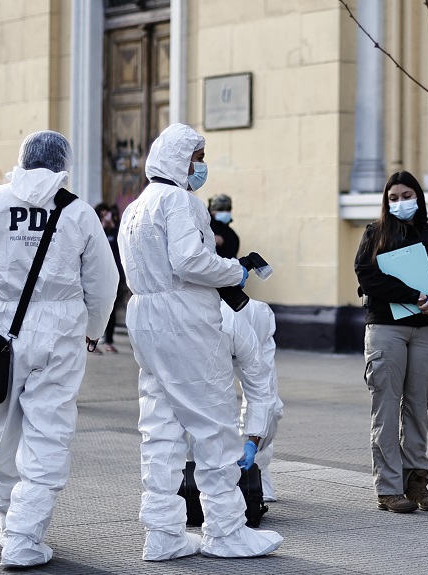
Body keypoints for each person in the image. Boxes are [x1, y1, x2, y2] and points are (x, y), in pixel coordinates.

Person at [0, 130, 119, 568]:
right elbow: (103, 281)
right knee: (48, 431)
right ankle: (24, 536)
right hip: (59, 333)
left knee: (3, 430)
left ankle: (9, 525)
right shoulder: (77, 212)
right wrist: (94, 330)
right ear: (63, 166)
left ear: (22, 159)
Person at [118, 123, 282, 560]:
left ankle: (163, 532)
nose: (201, 166)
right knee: (214, 421)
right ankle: (226, 529)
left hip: (146, 318)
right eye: (197, 156)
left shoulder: (136, 207)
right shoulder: (179, 201)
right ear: (179, 158)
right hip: (185, 319)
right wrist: (235, 272)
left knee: (160, 426)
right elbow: (190, 261)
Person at [354, 171, 428, 513]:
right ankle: (388, 489)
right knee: (386, 407)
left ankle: (416, 482)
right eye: (393, 197)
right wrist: (413, 294)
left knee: (418, 408)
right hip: (387, 327)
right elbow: (366, 275)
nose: (400, 202)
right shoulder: (376, 233)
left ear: (419, 196)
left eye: (406, 195)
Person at [223, 298, 284, 502]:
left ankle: (257, 472)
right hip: (206, 354)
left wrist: (253, 441)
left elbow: (261, 391)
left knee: (271, 408)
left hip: (252, 335)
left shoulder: (257, 317)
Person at [93, 203, 125, 353]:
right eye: (103, 215)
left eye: (107, 214)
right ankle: (93, 338)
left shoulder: (115, 230)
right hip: (98, 275)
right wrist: (101, 226)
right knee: (95, 307)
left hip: (115, 274)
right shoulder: (96, 230)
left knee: (110, 307)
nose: (106, 217)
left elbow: (122, 243)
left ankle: (109, 340)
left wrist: (113, 225)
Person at [208, 194, 239, 258]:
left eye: (228, 209)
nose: (225, 212)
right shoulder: (203, 227)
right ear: (212, 211)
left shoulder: (231, 234)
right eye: (220, 209)